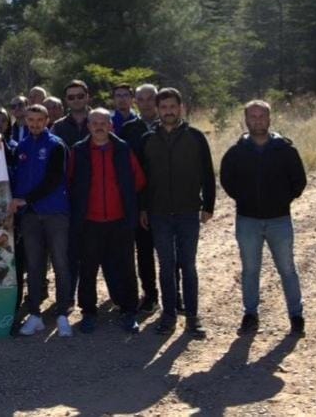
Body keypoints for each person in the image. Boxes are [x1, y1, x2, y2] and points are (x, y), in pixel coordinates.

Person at [220, 100, 307, 336]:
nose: (258, 120)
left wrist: (282, 200)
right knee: (250, 269)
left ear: (269, 119)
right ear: (246, 120)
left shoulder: (285, 149)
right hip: (247, 219)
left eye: (262, 116)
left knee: (287, 268)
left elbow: (299, 181)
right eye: (253, 117)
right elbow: (227, 180)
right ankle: (250, 314)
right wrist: (244, 199)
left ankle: (296, 316)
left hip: (279, 219)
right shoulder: (236, 152)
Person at [140, 88, 216, 338]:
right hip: (159, 212)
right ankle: (169, 315)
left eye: (173, 106)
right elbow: (143, 178)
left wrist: (208, 205)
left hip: (188, 211)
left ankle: (192, 317)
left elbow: (207, 171)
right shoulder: (148, 138)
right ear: (158, 110)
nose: (168, 111)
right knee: (166, 265)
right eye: (164, 107)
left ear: (181, 108)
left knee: (188, 264)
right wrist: (143, 208)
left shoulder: (195, 137)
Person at [69, 109, 147, 334]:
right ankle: (88, 312)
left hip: (120, 220)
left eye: (104, 122)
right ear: (88, 126)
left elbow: (139, 181)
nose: (99, 126)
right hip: (89, 221)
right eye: (94, 122)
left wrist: (136, 209)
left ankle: (129, 310)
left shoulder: (123, 149)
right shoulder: (79, 150)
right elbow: (70, 182)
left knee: (125, 267)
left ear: (111, 125)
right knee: (88, 269)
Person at [10, 105, 72, 338]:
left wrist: (26, 199)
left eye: (39, 119)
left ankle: (63, 313)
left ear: (47, 120)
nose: (35, 124)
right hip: (30, 217)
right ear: (25, 120)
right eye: (31, 120)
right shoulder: (21, 147)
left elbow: (54, 180)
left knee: (60, 263)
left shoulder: (56, 145)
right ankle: (35, 314)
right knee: (34, 266)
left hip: (55, 213)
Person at [119, 83, 161, 312]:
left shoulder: (168, 126)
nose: (146, 103)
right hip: (138, 199)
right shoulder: (128, 130)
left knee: (169, 252)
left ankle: (176, 295)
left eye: (150, 98)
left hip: (166, 197)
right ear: (136, 101)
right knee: (144, 251)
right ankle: (150, 294)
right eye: (141, 99)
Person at [52, 80, 91, 146]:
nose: (76, 100)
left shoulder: (101, 121)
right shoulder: (57, 127)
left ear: (87, 97)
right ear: (66, 100)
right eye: (71, 97)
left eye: (80, 96)